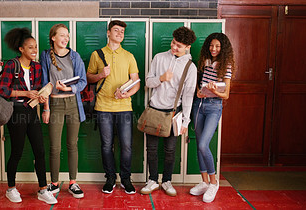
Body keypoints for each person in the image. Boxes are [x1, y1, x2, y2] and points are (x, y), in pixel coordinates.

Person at [0, 28, 57, 204]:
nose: (34, 51)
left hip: (31, 112)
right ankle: (11, 188)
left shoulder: (37, 67)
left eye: (36, 48)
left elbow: (38, 88)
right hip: (16, 113)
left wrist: (40, 95)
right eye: (30, 47)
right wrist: (25, 93)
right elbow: (3, 90)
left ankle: (43, 189)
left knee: (40, 150)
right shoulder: (11, 65)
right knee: (17, 151)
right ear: (21, 49)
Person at [140, 27, 197, 197]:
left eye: (178, 46)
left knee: (170, 150)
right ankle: (152, 180)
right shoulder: (159, 58)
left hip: (174, 114)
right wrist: (161, 79)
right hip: (154, 110)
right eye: (173, 43)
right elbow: (148, 82)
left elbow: (188, 96)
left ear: (187, 47)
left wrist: (186, 121)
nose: (174, 47)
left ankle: (166, 181)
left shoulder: (190, 67)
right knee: (151, 149)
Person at [86, 20, 140, 194]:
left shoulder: (129, 56)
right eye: (116, 30)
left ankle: (125, 179)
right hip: (103, 107)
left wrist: (127, 94)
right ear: (108, 33)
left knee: (126, 145)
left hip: (124, 107)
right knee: (106, 145)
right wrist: (101, 74)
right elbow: (88, 78)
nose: (120, 33)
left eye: (122, 31)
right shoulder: (97, 54)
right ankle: (110, 178)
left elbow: (136, 82)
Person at [40, 24, 87, 199]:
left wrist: (69, 89)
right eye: (62, 35)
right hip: (54, 104)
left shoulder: (74, 56)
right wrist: (46, 109)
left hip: (73, 103)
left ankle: (73, 183)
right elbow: (45, 84)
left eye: (67, 36)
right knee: (54, 147)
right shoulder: (45, 56)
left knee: (72, 145)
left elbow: (82, 82)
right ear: (53, 37)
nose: (65, 38)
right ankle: (54, 183)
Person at [189, 32, 235, 203]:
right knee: (198, 145)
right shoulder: (204, 62)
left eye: (217, 46)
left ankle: (214, 183)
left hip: (214, 107)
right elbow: (198, 84)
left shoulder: (226, 65)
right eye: (211, 45)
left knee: (203, 144)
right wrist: (199, 92)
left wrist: (214, 91)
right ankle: (204, 182)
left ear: (223, 48)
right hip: (199, 105)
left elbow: (226, 94)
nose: (213, 49)